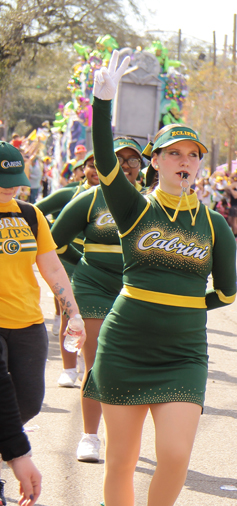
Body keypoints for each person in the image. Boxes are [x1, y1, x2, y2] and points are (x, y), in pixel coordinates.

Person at [89, 52, 237, 506]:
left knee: (175, 454)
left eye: (191, 154)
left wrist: (181, 311)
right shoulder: (133, 208)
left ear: (200, 164)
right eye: (172, 153)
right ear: (154, 161)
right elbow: (106, 163)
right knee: (121, 461)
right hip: (124, 344)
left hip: (183, 353)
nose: (183, 161)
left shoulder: (216, 224)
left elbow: (226, 291)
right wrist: (103, 103)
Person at [49, 137, 146, 462]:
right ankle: (90, 436)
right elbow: (55, 243)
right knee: (98, 363)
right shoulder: (90, 200)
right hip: (92, 288)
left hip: (133, 291)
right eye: (119, 158)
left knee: (129, 365)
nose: (126, 165)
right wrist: (84, 264)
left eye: (133, 160)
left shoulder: (150, 206)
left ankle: (122, 436)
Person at [0, 141, 84, 506]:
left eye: (15, 180)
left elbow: (51, 267)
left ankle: (9, 445)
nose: (10, 187)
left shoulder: (31, 215)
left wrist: (74, 312)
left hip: (27, 321)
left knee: (29, 402)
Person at [36, 153, 98, 387]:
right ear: (83, 169)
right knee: (70, 310)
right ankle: (69, 368)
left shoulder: (119, 198)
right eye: (91, 166)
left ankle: (88, 362)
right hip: (71, 261)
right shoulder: (69, 194)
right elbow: (33, 212)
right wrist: (51, 233)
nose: (96, 171)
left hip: (104, 267)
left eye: (101, 167)